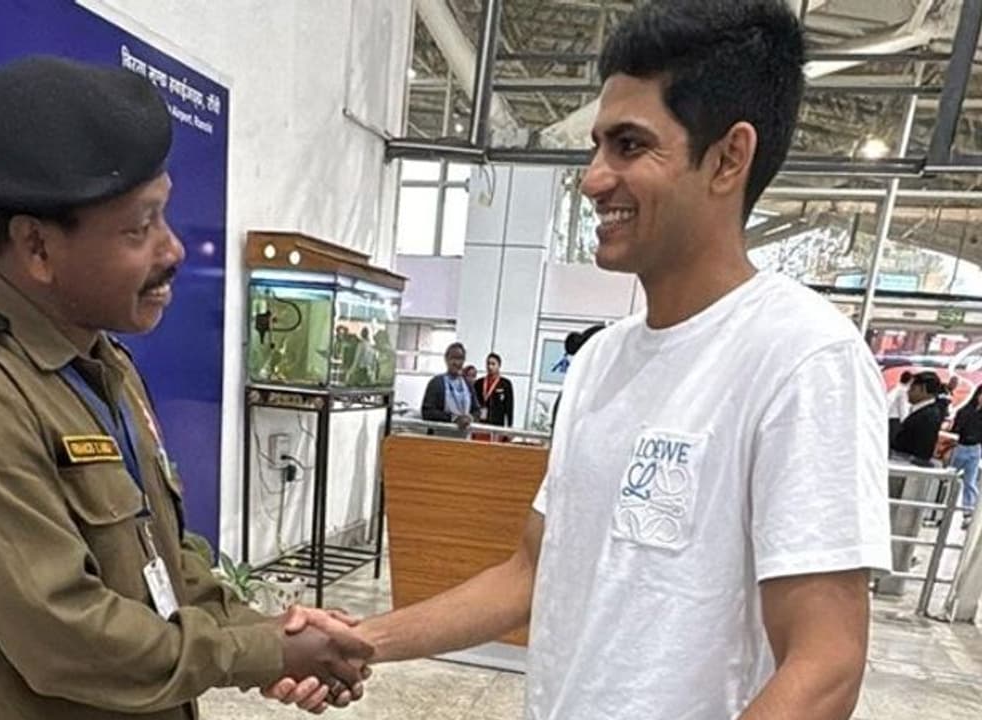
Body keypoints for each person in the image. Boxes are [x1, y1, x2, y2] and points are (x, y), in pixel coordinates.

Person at [271, 2, 890, 717]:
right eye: (598, 146)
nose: (594, 179)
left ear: (728, 158)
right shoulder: (603, 361)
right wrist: (361, 639)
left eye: (629, 146)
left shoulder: (801, 357)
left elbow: (826, 663)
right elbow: (533, 569)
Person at [0, 56, 369, 720]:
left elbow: (163, 560)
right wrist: (266, 654)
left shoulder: (103, 368)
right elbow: (65, 637)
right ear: (37, 248)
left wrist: (267, 634)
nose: (173, 250)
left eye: (165, 216)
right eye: (139, 227)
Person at [420, 342, 478, 433]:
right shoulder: (436, 383)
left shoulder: (468, 385)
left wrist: (470, 418)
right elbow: (427, 412)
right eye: (453, 358)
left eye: (460, 358)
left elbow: (477, 410)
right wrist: (453, 418)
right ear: (446, 359)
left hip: (463, 439)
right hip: (439, 437)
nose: (457, 363)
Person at [892, 372, 945, 466]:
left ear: (923, 389)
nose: (908, 392)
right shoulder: (923, 411)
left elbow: (922, 450)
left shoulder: (929, 415)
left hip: (908, 465)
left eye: (912, 388)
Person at [948, 386, 982, 529]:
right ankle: (941, 509)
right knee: (949, 479)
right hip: (960, 447)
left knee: (970, 482)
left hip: (975, 449)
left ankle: (968, 514)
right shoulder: (965, 411)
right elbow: (956, 430)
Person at [474, 353, 514, 428]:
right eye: (488, 364)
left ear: (499, 366)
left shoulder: (505, 384)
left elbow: (509, 407)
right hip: (480, 423)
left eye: (493, 364)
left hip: (497, 424)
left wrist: (509, 426)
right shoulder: (479, 383)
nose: (490, 367)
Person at [887, 370, 913, 443]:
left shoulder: (896, 389)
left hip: (890, 419)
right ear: (910, 381)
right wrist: (905, 423)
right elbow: (903, 409)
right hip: (896, 420)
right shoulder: (903, 391)